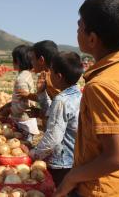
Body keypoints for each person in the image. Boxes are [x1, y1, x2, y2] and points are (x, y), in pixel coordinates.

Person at [54, 0, 119, 197]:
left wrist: (71, 177)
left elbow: (115, 157)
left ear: (92, 38)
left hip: (99, 188)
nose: (76, 31)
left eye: (80, 26)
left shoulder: (101, 86)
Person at [29, 51, 83, 187]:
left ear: (58, 76)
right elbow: (53, 114)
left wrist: (34, 154)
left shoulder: (61, 100)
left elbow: (53, 138)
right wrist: (41, 93)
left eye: (50, 72)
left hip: (62, 164)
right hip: (76, 159)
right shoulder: (78, 94)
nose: (48, 75)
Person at [0, 45, 39, 140]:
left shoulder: (21, 79)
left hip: (24, 122)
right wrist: (10, 104)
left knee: (24, 146)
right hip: (25, 120)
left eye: (14, 59)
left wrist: (10, 109)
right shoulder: (27, 74)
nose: (12, 62)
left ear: (18, 61)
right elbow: (24, 98)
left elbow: (25, 103)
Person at [17, 40, 60, 127]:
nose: (31, 63)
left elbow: (61, 112)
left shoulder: (53, 80)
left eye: (32, 59)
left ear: (41, 60)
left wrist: (40, 114)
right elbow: (50, 99)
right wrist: (29, 95)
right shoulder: (49, 75)